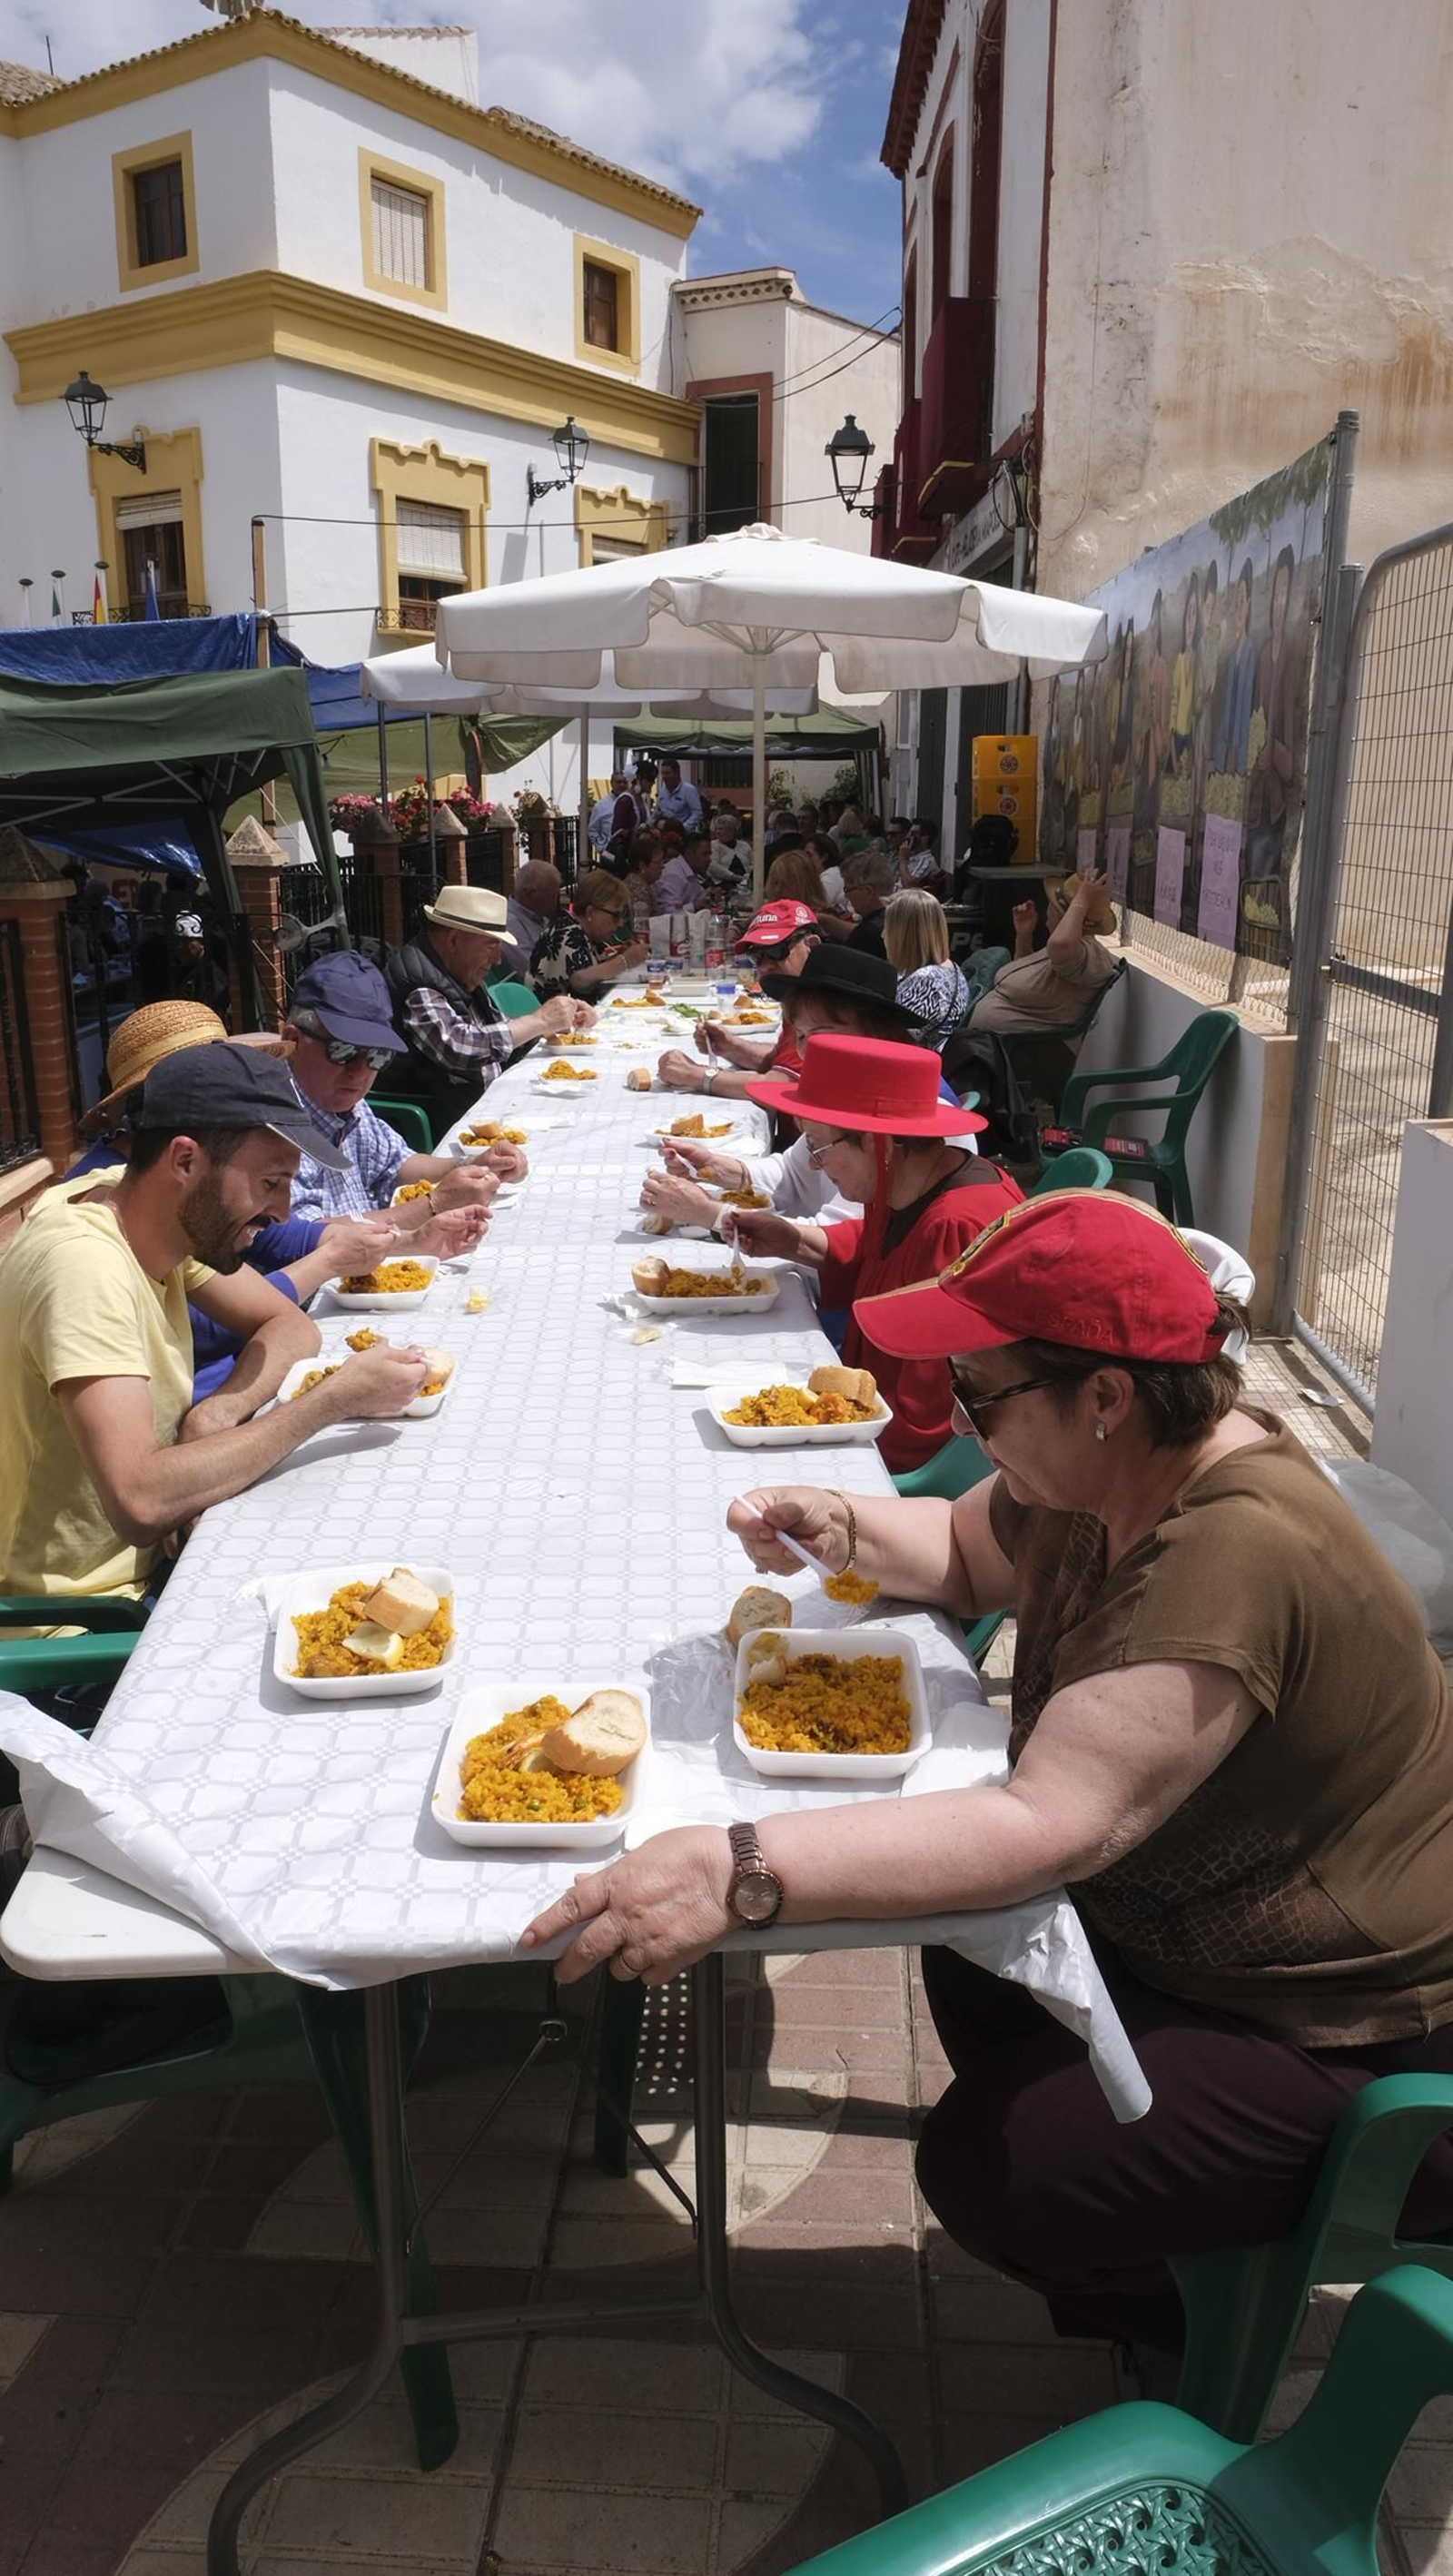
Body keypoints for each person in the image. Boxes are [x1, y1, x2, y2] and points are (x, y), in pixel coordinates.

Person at [523, 1188, 1453, 2354]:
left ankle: (1194, 2319)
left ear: (1104, 1393)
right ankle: (1164, 2238)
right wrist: (839, 1522)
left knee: (995, 2163)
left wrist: (741, 1865)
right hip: (1208, 1943)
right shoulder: (1117, 1466)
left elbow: (1047, 1821)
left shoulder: (1226, 1553)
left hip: (1363, 2034)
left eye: (982, 1391)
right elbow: (964, 1554)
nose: (965, 1416)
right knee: (966, 1946)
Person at [0, 1045, 430, 1621]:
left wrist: (218, 1413)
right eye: (270, 1182)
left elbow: (289, 1324)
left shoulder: (141, 1204)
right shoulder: (84, 1265)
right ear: (184, 1161)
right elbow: (141, 1499)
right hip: (84, 1626)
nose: (282, 1212)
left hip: (163, 1561)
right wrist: (329, 1402)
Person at [68, 995, 489, 1401]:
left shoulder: (188, 1172)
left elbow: (288, 1240)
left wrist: (412, 1239)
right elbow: (205, 1329)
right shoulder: (112, 1199)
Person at [726, 1033, 1021, 1470]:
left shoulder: (956, 1225)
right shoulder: (902, 1186)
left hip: (904, 1460)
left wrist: (808, 1431)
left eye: (820, 1148)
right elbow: (875, 1253)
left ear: (878, 1144)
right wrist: (792, 1240)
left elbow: (927, 1423)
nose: (813, 1164)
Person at [642, 943, 934, 1233]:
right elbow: (792, 1172)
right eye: (801, 1035)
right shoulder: (843, 1090)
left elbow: (838, 1240)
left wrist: (710, 1214)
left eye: (818, 1035)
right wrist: (713, 1167)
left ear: (875, 1034)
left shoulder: (913, 1116)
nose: (805, 1052)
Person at [282, 953, 524, 1221]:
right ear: (293, 1041)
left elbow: (398, 1164)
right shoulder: (274, 1123)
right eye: (343, 1050)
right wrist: (434, 1205)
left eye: (378, 1055)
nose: (360, 1071)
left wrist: (475, 1164)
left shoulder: (344, 1102)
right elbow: (304, 1239)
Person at [383, 883, 592, 1127]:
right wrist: (540, 1021)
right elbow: (459, 1046)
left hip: (484, 1105)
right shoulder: (419, 985)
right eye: (492, 945)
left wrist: (560, 1023)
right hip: (449, 1120)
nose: (498, 959)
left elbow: (500, 1033)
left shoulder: (455, 971)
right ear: (454, 940)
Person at [654, 900, 820, 1097]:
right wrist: (731, 1047)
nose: (766, 966)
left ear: (811, 946)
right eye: (757, 956)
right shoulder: (798, 994)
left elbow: (778, 1087)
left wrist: (692, 1074)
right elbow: (781, 1059)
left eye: (776, 951)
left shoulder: (819, 1007)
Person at [969, 869, 1119, 1044]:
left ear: (1065, 916)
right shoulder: (1072, 951)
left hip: (1018, 1051)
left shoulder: (1086, 954)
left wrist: (1081, 900)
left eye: (1052, 905)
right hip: (989, 1044)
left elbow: (1060, 945)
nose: (1047, 910)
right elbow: (1030, 980)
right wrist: (1024, 937)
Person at [1246, 544, 1299, 877]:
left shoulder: (1295, 653)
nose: (1279, 603)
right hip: (1258, 791)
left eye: (1285, 593)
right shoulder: (1263, 655)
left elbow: (1297, 728)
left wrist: (1275, 752)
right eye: (1275, 593)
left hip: (1283, 796)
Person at [529, 868, 649, 1000]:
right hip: (554, 1016)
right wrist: (625, 960)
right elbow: (580, 980)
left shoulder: (584, 932)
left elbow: (594, 968)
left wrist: (620, 955)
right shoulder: (566, 931)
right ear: (590, 912)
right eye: (615, 915)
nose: (620, 923)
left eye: (623, 916)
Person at [884, 889, 971, 1049]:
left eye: (887, 928)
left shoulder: (925, 982)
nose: (883, 935)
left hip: (916, 1066)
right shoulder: (949, 968)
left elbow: (893, 1041)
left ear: (904, 935)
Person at [1212, 559, 1258, 778]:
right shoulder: (1229, 659)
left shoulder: (1251, 654)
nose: (1238, 610)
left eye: (1242, 601)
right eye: (1236, 603)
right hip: (1223, 755)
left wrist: (1237, 748)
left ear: (1249, 605)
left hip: (1239, 758)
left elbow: (1248, 710)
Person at [839, 849, 896, 957]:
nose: (846, 895)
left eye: (847, 889)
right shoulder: (900, 920)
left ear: (868, 891)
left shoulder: (869, 933)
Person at [505, 862, 563, 963]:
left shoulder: (541, 916)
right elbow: (532, 969)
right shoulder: (510, 923)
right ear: (530, 895)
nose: (555, 902)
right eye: (551, 897)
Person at [588, 771, 645, 858]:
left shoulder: (635, 801)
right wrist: (601, 848)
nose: (622, 785)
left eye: (625, 782)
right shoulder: (601, 805)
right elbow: (593, 830)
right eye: (618, 782)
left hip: (631, 852)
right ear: (611, 783)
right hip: (610, 853)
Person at [620, 828, 667, 934]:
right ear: (642, 866)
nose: (662, 866)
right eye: (658, 862)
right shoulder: (639, 890)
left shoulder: (638, 883)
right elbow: (641, 931)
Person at [656, 833, 712, 914]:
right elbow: (668, 912)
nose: (709, 860)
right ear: (689, 853)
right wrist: (695, 906)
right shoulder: (673, 874)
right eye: (705, 854)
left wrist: (709, 895)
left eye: (709, 855)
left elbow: (699, 896)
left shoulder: (691, 871)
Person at [653, 758, 704, 834]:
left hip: (681, 835)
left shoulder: (689, 790)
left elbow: (697, 813)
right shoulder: (662, 791)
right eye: (662, 773)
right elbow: (659, 810)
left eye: (667, 773)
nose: (664, 777)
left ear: (677, 773)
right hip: (663, 833)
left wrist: (683, 828)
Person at [804, 832, 847, 911]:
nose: (805, 859)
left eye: (809, 855)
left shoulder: (832, 874)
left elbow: (818, 905)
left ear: (824, 857)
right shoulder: (821, 875)